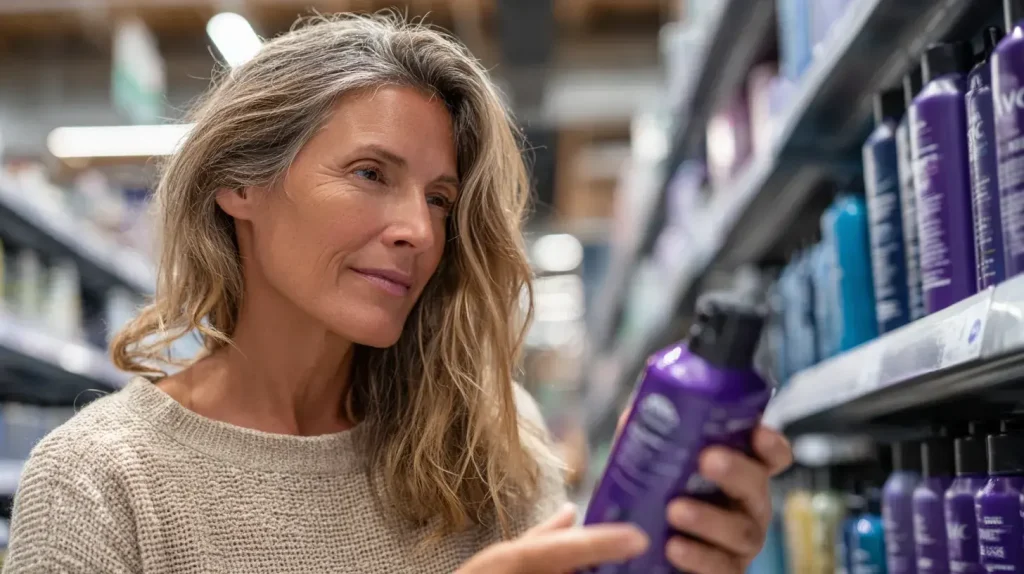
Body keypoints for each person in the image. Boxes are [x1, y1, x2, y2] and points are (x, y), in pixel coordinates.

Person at [3, 13, 791, 574]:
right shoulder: (99, 484)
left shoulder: (488, 437)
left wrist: (672, 553)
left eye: (440, 200)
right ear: (238, 184)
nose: (419, 229)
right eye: (370, 174)